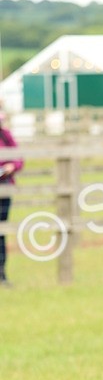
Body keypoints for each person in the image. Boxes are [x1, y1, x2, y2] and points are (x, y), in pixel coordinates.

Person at [0, 105, 23, 287]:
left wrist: (11, 166)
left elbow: (19, 158)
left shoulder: (5, 135)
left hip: (4, 186)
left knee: (1, 231)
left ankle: (2, 273)